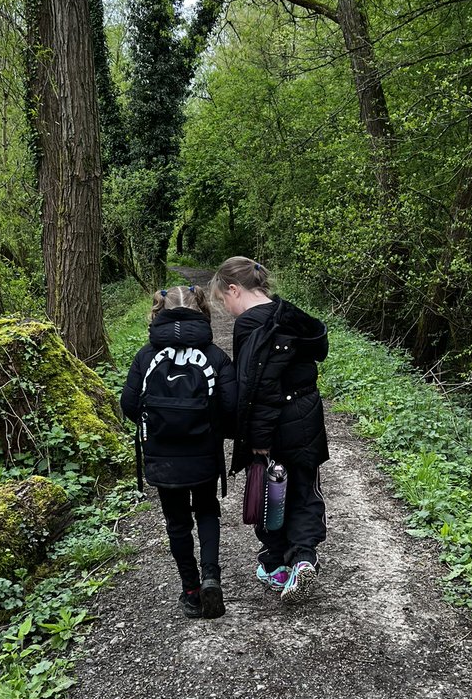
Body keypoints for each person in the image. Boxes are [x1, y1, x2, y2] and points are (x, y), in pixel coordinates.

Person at [210, 257, 328, 604]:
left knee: (270, 496)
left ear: (235, 289)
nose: (227, 309)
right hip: (306, 419)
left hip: (274, 425)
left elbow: (254, 388)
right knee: (304, 488)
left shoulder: (251, 325)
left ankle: (277, 563)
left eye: (224, 300)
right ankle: (304, 557)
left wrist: (257, 440)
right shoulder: (291, 316)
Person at [120, 285, 237, 620]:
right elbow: (230, 406)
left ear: (159, 312)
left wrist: (156, 425)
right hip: (203, 454)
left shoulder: (146, 356)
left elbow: (129, 404)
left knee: (177, 522)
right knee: (207, 510)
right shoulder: (215, 356)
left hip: (163, 457)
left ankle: (191, 590)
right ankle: (212, 576)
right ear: (201, 311)